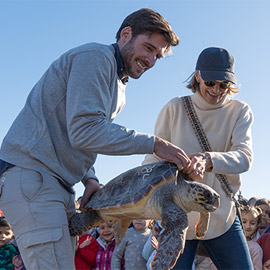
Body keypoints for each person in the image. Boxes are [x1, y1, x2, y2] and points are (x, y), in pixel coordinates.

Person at [0, 8, 198, 270]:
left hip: (58, 185)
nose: (151, 60)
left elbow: (86, 134)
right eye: (148, 48)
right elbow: (85, 129)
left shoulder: (119, 85)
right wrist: (156, 144)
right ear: (126, 34)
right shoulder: (95, 58)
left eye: (157, 56)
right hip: (34, 176)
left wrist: (89, 177)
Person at [142, 47, 254, 269]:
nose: (217, 89)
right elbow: (152, 160)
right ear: (197, 76)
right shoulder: (175, 108)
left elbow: (245, 157)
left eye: (224, 84)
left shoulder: (240, 110)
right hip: (176, 218)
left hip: (221, 215)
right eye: (210, 82)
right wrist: (147, 206)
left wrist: (209, 160)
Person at [241, 204, 263, 270]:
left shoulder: (256, 249)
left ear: (257, 225)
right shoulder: (228, 242)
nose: (248, 226)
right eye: (244, 222)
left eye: (252, 223)